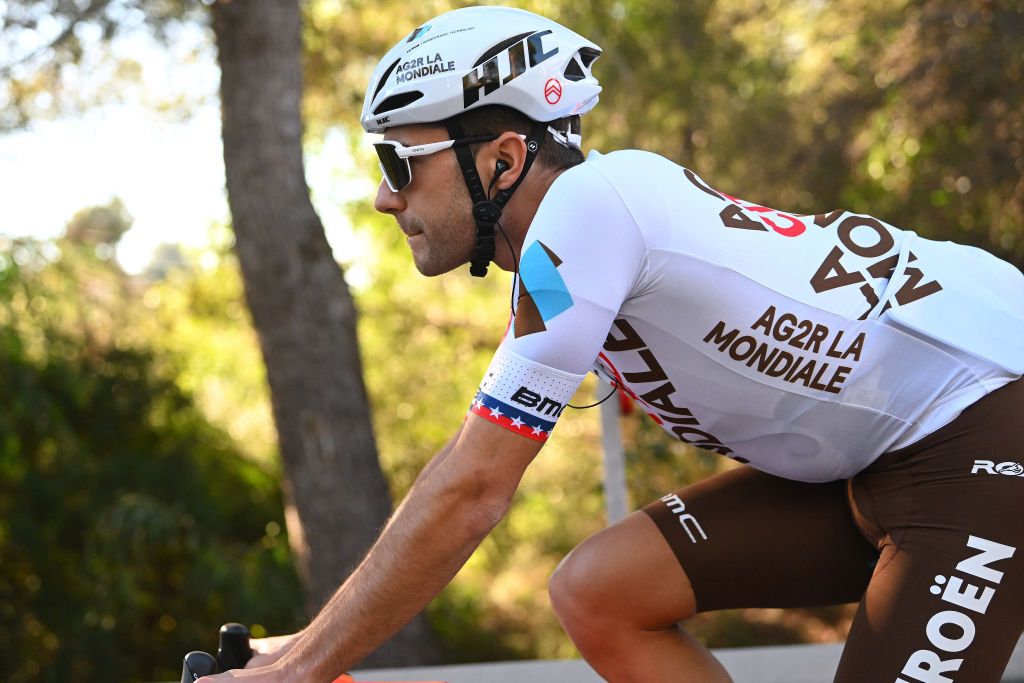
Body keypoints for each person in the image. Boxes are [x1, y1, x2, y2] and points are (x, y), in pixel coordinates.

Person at [212, 6, 1024, 682]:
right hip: (872, 461)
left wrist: (299, 669)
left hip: (984, 426)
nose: (384, 196)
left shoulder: (590, 211)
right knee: (602, 591)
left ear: (501, 159)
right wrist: (302, 648)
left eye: (400, 159)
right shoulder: (562, 261)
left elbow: (473, 487)